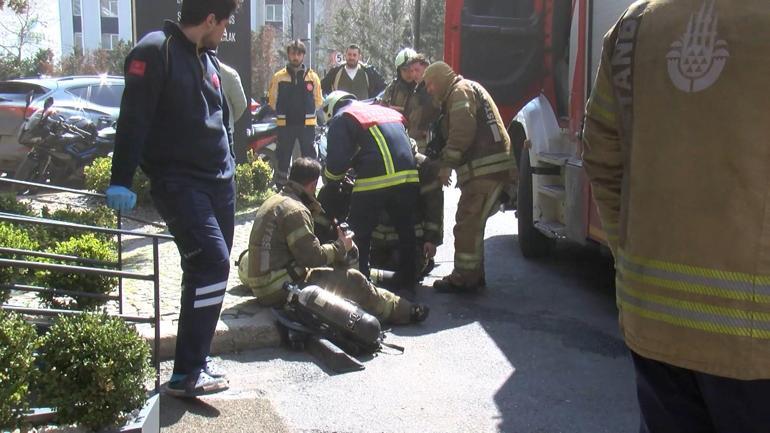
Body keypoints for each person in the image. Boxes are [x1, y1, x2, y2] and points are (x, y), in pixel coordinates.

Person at [582, 2, 770, 432]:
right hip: (755, 339)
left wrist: (630, 255)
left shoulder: (633, 24)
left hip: (653, 318)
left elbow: (601, 155)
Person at [104, 0, 239, 397]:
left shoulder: (207, 60)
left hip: (219, 184)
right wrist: (121, 179)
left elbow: (220, 120)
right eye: (225, 23)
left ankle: (195, 361)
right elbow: (134, 117)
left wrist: (230, 165)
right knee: (212, 262)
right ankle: (187, 375)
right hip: (180, 184)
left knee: (210, 273)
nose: (225, 32)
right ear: (211, 20)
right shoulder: (155, 49)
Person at [237, 157, 428, 325]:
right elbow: (312, 258)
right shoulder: (295, 210)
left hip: (265, 284)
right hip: (278, 289)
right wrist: (340, 247)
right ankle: (405, 311)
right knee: (355, 281)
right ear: (312, 185)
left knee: (336, 271)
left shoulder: (275, 201)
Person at [422, 61, 516, 293]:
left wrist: (446, 165)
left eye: (430, 84)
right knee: (472, 224)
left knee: (467, 223)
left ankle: (464, 277)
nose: (429, 90)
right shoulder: (463, 89)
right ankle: (473, 274)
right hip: (491, 169)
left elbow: (462, 131)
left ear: (441, 79)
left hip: (485, 171)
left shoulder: (459, 91)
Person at [322, 91, 420, 294]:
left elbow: (337, 162)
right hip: (408, 174)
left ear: (331, 109)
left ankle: (362, 284)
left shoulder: (343, 117)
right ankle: (409, 282)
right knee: (406, 230)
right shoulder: (381, 109)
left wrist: (331, 184)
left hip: (376, 178)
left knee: (360, 232)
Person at [268, 40, 323, 188]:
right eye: (293, 53)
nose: (295, 57)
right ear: (288, 55)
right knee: (283, 156)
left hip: (307, 125)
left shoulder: (313, 77)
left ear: (303, 55)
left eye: (299, 54)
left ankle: (310, 186)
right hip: (285, 124)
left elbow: (318, 101)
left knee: (309, 157)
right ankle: (281, 186)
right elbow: (272, 101)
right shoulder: (279, 77)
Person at [321, 45, 385, 100]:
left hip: (362, 111)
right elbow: (323, 88)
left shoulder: (369, 72)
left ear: (359, 57)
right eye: (349, 54)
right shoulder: (336, 71)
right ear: (345, 55)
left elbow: (383, 87)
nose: (351, 57)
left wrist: (373, 100)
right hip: (341, 111)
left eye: (354, 55)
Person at [379, 48, 418, 114]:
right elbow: (382, 107)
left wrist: (394, 109)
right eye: (404, 70)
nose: (408, 73)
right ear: (399, 71)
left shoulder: (422, 89)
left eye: (411, 70)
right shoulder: (393, 87)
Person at [218, 61, 247, 139]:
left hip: (224, 133)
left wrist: (228, 120)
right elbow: (241, 105)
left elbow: (241, 105)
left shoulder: (229, 73)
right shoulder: (229, 73)